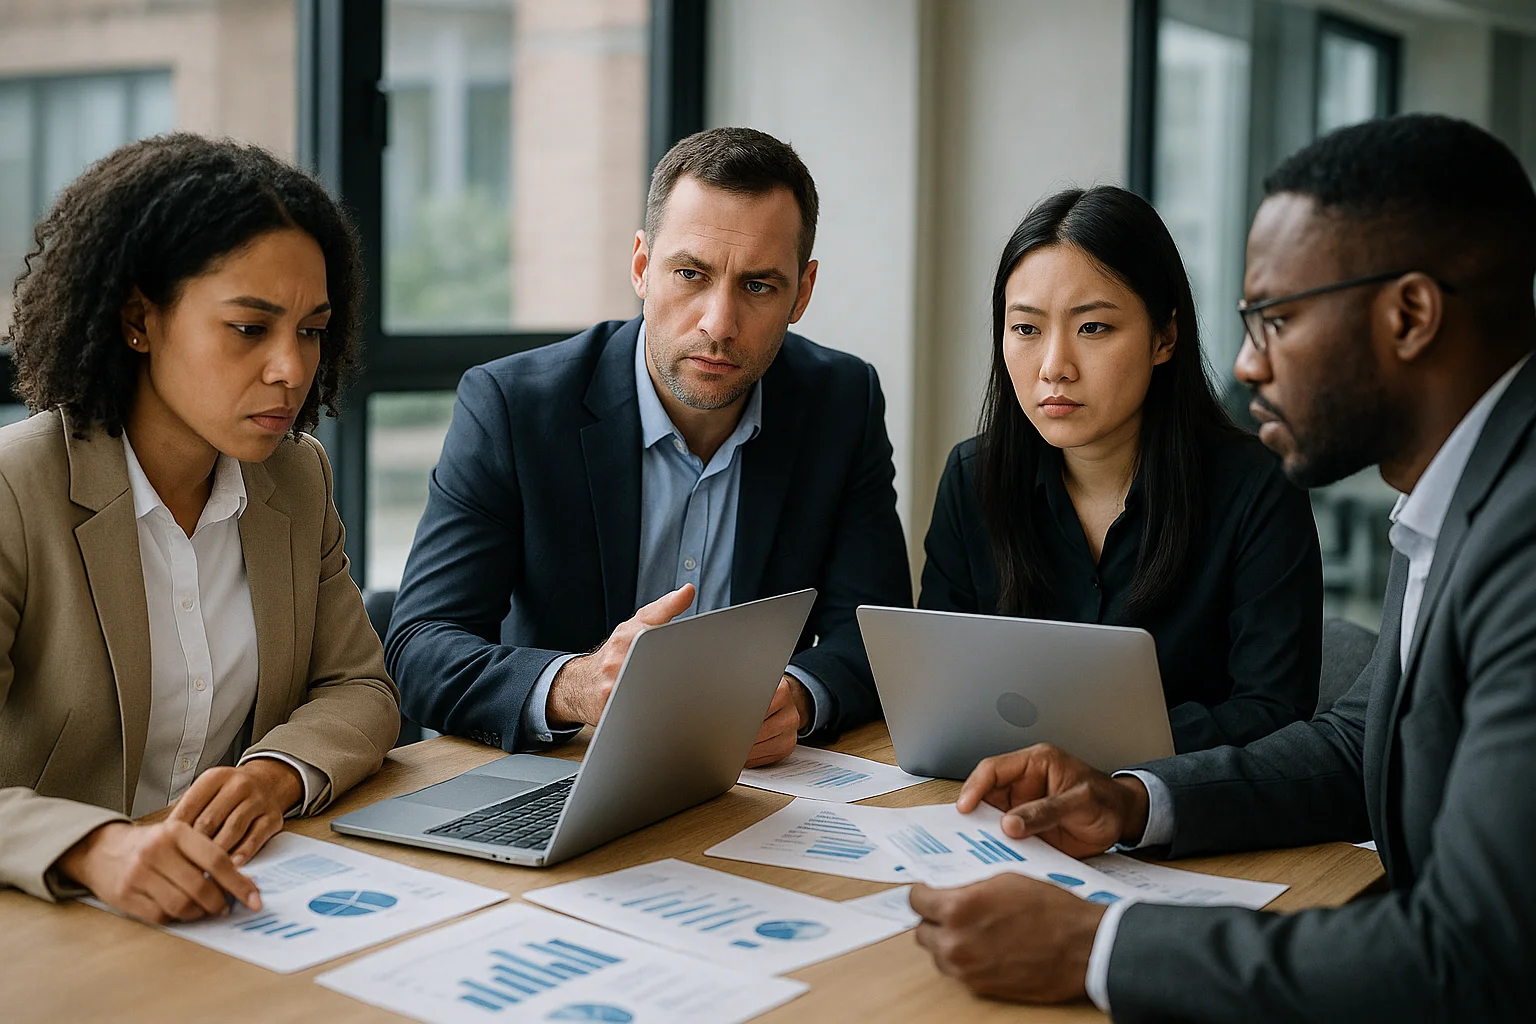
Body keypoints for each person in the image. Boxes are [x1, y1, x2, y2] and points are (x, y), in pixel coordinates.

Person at [908, 114, 1536, 1021]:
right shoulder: (1457, 502)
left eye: (1276, 320)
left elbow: (1469, 955)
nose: (1245, 363)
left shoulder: (1518, 539)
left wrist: (1098, 946)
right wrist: (1130, 802)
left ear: (1409, 315)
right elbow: (1353, 748)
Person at [386, 127, 911, 766]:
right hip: (564, 769)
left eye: (758, 287)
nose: (718, 324)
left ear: (801, 292)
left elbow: (877, 635)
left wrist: (799, 696)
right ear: (641, 267)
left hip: (753, 783)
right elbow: (419, 646)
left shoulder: (842, 401)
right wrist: (576, 687)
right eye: (691, 274)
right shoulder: (512, 406)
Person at [0, 134, 401, 924]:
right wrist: (91, 846)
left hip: (242, 902)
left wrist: (277, 772)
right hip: (52, 921)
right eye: (250, 329)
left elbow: (359, 688)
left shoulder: (296, 475)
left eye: (312, 329)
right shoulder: (17, 490)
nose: (291, 367)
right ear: (138, 320)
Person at [920, 185, 1321, 752]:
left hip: (1183, 823)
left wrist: (1090, 755)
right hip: (992, 811)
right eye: (1026, 328)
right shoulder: (974, 477)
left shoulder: (1257, 490)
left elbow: (1274, 712)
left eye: (1093, 328)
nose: (1055, 367)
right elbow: (935, 688)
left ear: (1165, 336)